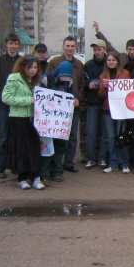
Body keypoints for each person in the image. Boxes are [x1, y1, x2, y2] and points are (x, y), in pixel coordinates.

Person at [1, 56, 44, 190]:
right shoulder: (14, 78)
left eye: (35, 67)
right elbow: (6, 97)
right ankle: (22, 178)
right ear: (23, 67)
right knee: (21, 149)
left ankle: (35, 177)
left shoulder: (36, 81)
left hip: (33, 119)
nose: (33, 70)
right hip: (18, 118)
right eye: (30, 67)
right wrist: (27, 100)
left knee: (34, 147)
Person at [47, 36, 85, 173]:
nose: (70, 48)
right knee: (58, 135)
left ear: (76, 47)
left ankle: (68, 162)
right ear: (63, 47)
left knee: (73, 136)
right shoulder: (54, 62)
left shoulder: (79, 64)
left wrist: (78, 98)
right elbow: (49, 81)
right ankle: (56, 163)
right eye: (67, 46)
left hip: (74, 106)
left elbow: (82, 85)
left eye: (72, 46)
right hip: (57, 107)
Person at [0, 33, 21, 179]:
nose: (13, 46)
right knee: (3, 136)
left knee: (17, 136)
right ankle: (1, 167)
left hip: (19, 104)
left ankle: (15, 166)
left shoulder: (22, 62)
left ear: (18, 45)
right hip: (2, 104)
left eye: (16, 43)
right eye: (11, 43)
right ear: (6, 44)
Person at [39, 61, 75, 183]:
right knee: (47, 147)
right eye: (63, 77)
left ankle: (57, 172)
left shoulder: (69, 82)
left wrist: (74, 101)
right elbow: (40, 95)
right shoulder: (46, 79)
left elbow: (71, 95)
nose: (64, 80)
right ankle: (44, 173)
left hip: (61, 120)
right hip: (47, 119)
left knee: (60, 146)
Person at [98, 51, 132, 174]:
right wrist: (104, 87)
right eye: (109, 60)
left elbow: (129, 90)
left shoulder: (125, 73)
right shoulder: (103, 76)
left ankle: (125, 163)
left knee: (121, 135)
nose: (111, 62)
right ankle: (113, 163)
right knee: (111, 137)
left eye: (113, 60)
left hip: (121, 110)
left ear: (117, 61)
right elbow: (100, 95)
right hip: (108, 110)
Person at [84, 39, 108, 169]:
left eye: (99, 49)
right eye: (95, 50)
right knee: (91, 132)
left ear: (104, 49)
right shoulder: (88, 65)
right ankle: (91, 158)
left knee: (105, 132)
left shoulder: (110, 62)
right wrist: (89, 84)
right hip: (92, 102)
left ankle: (102, 157)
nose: (97, 52)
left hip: (106, 103)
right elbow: (83, 80)